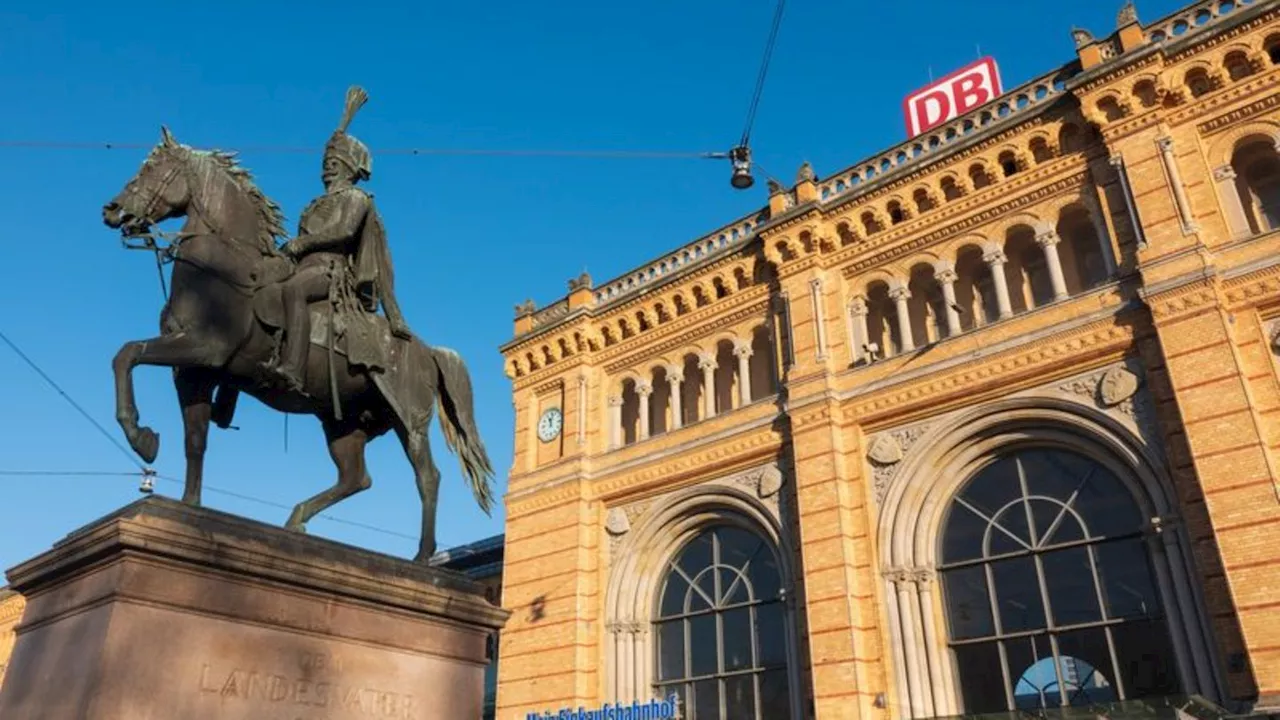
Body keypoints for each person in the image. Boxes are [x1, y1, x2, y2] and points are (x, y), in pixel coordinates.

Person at [266, 87, 410, 394]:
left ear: (347, 168)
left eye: (334, 164)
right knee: (256, 291)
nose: (327, 168)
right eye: (326, 163)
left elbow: (344, 231)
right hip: (302, 266)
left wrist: (303, 244)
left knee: (293, 290)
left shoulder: (356, 197)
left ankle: (292, 368)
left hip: (331, 274)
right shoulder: (314, 204)